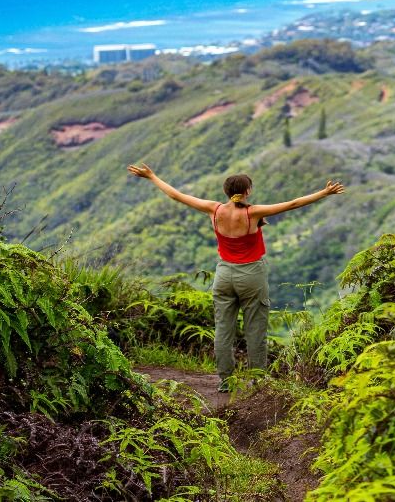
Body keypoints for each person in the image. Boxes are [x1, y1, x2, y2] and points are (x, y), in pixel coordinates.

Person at [127, 163, 345, 390]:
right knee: (255, 329)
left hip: (224, 275)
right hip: (251, 274)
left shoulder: (214, 210)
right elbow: (293, 204)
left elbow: (176, 195)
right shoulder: (253, 213)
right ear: (247, 191)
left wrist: (152, 176)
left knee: (223, 329)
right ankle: (258, 380)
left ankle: (225, 381)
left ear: (227, 192)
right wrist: (324, 192)